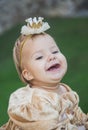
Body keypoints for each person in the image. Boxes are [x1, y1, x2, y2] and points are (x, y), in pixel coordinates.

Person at [0, 17, 88, 130]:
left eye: (55, 51)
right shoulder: (31, 101)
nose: (51, 57)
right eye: (39, 57)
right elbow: (47, 126)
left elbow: (77, 117)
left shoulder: (64, 89)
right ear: (28, 74)